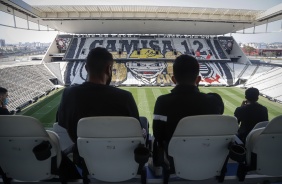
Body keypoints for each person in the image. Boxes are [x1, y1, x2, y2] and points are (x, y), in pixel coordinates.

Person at [152, 54, 224, 174]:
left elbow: (158, 135)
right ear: (198, 79)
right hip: (208, 158)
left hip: (174, 160)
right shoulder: (214, 101)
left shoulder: (162, 101)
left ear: (174, 79)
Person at [58, 47, 144, 143]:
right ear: (109, 69)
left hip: (82, 155)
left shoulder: (68, 94)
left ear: (86, 68)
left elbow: (61, 126)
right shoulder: (125, 97)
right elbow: (136, 130)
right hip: (119, 154)